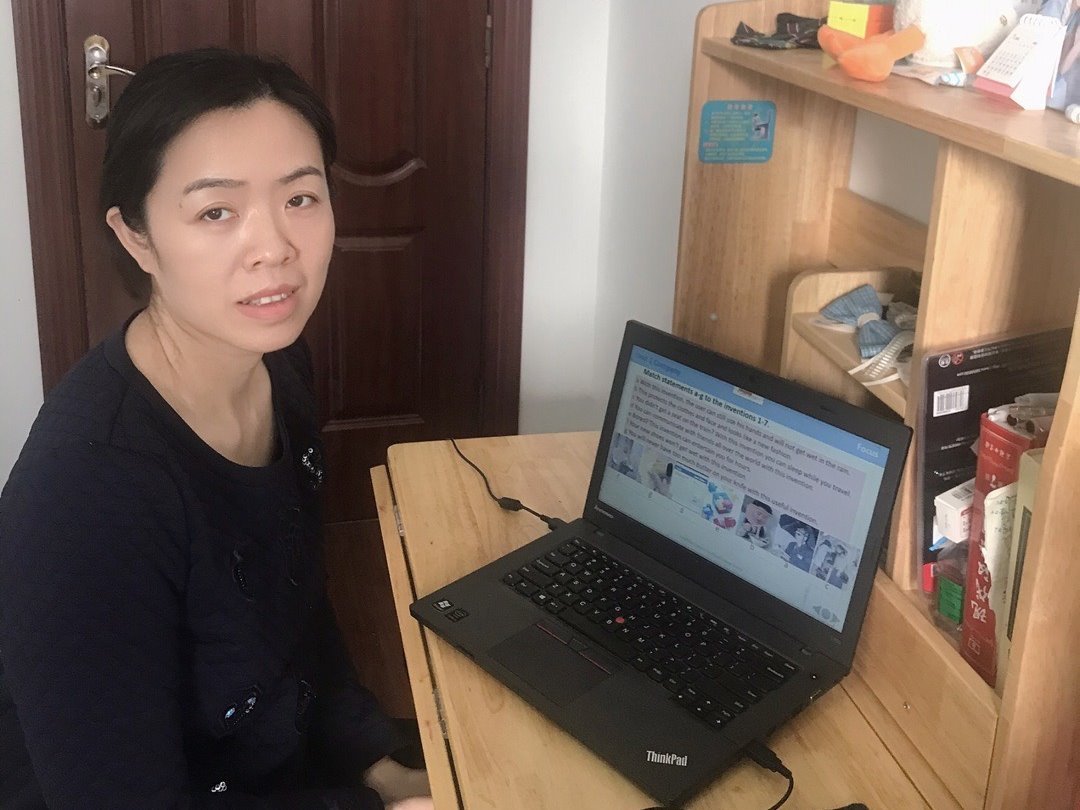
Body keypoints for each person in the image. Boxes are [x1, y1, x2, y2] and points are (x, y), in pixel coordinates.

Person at [0, 48, 433, 810]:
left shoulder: (277, 366)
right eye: (216, 212)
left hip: (273, 763)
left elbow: (299, 609)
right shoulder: (86, 494)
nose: (275, 249)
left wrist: (376, 764)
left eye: (301, 198)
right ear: (137, 237)